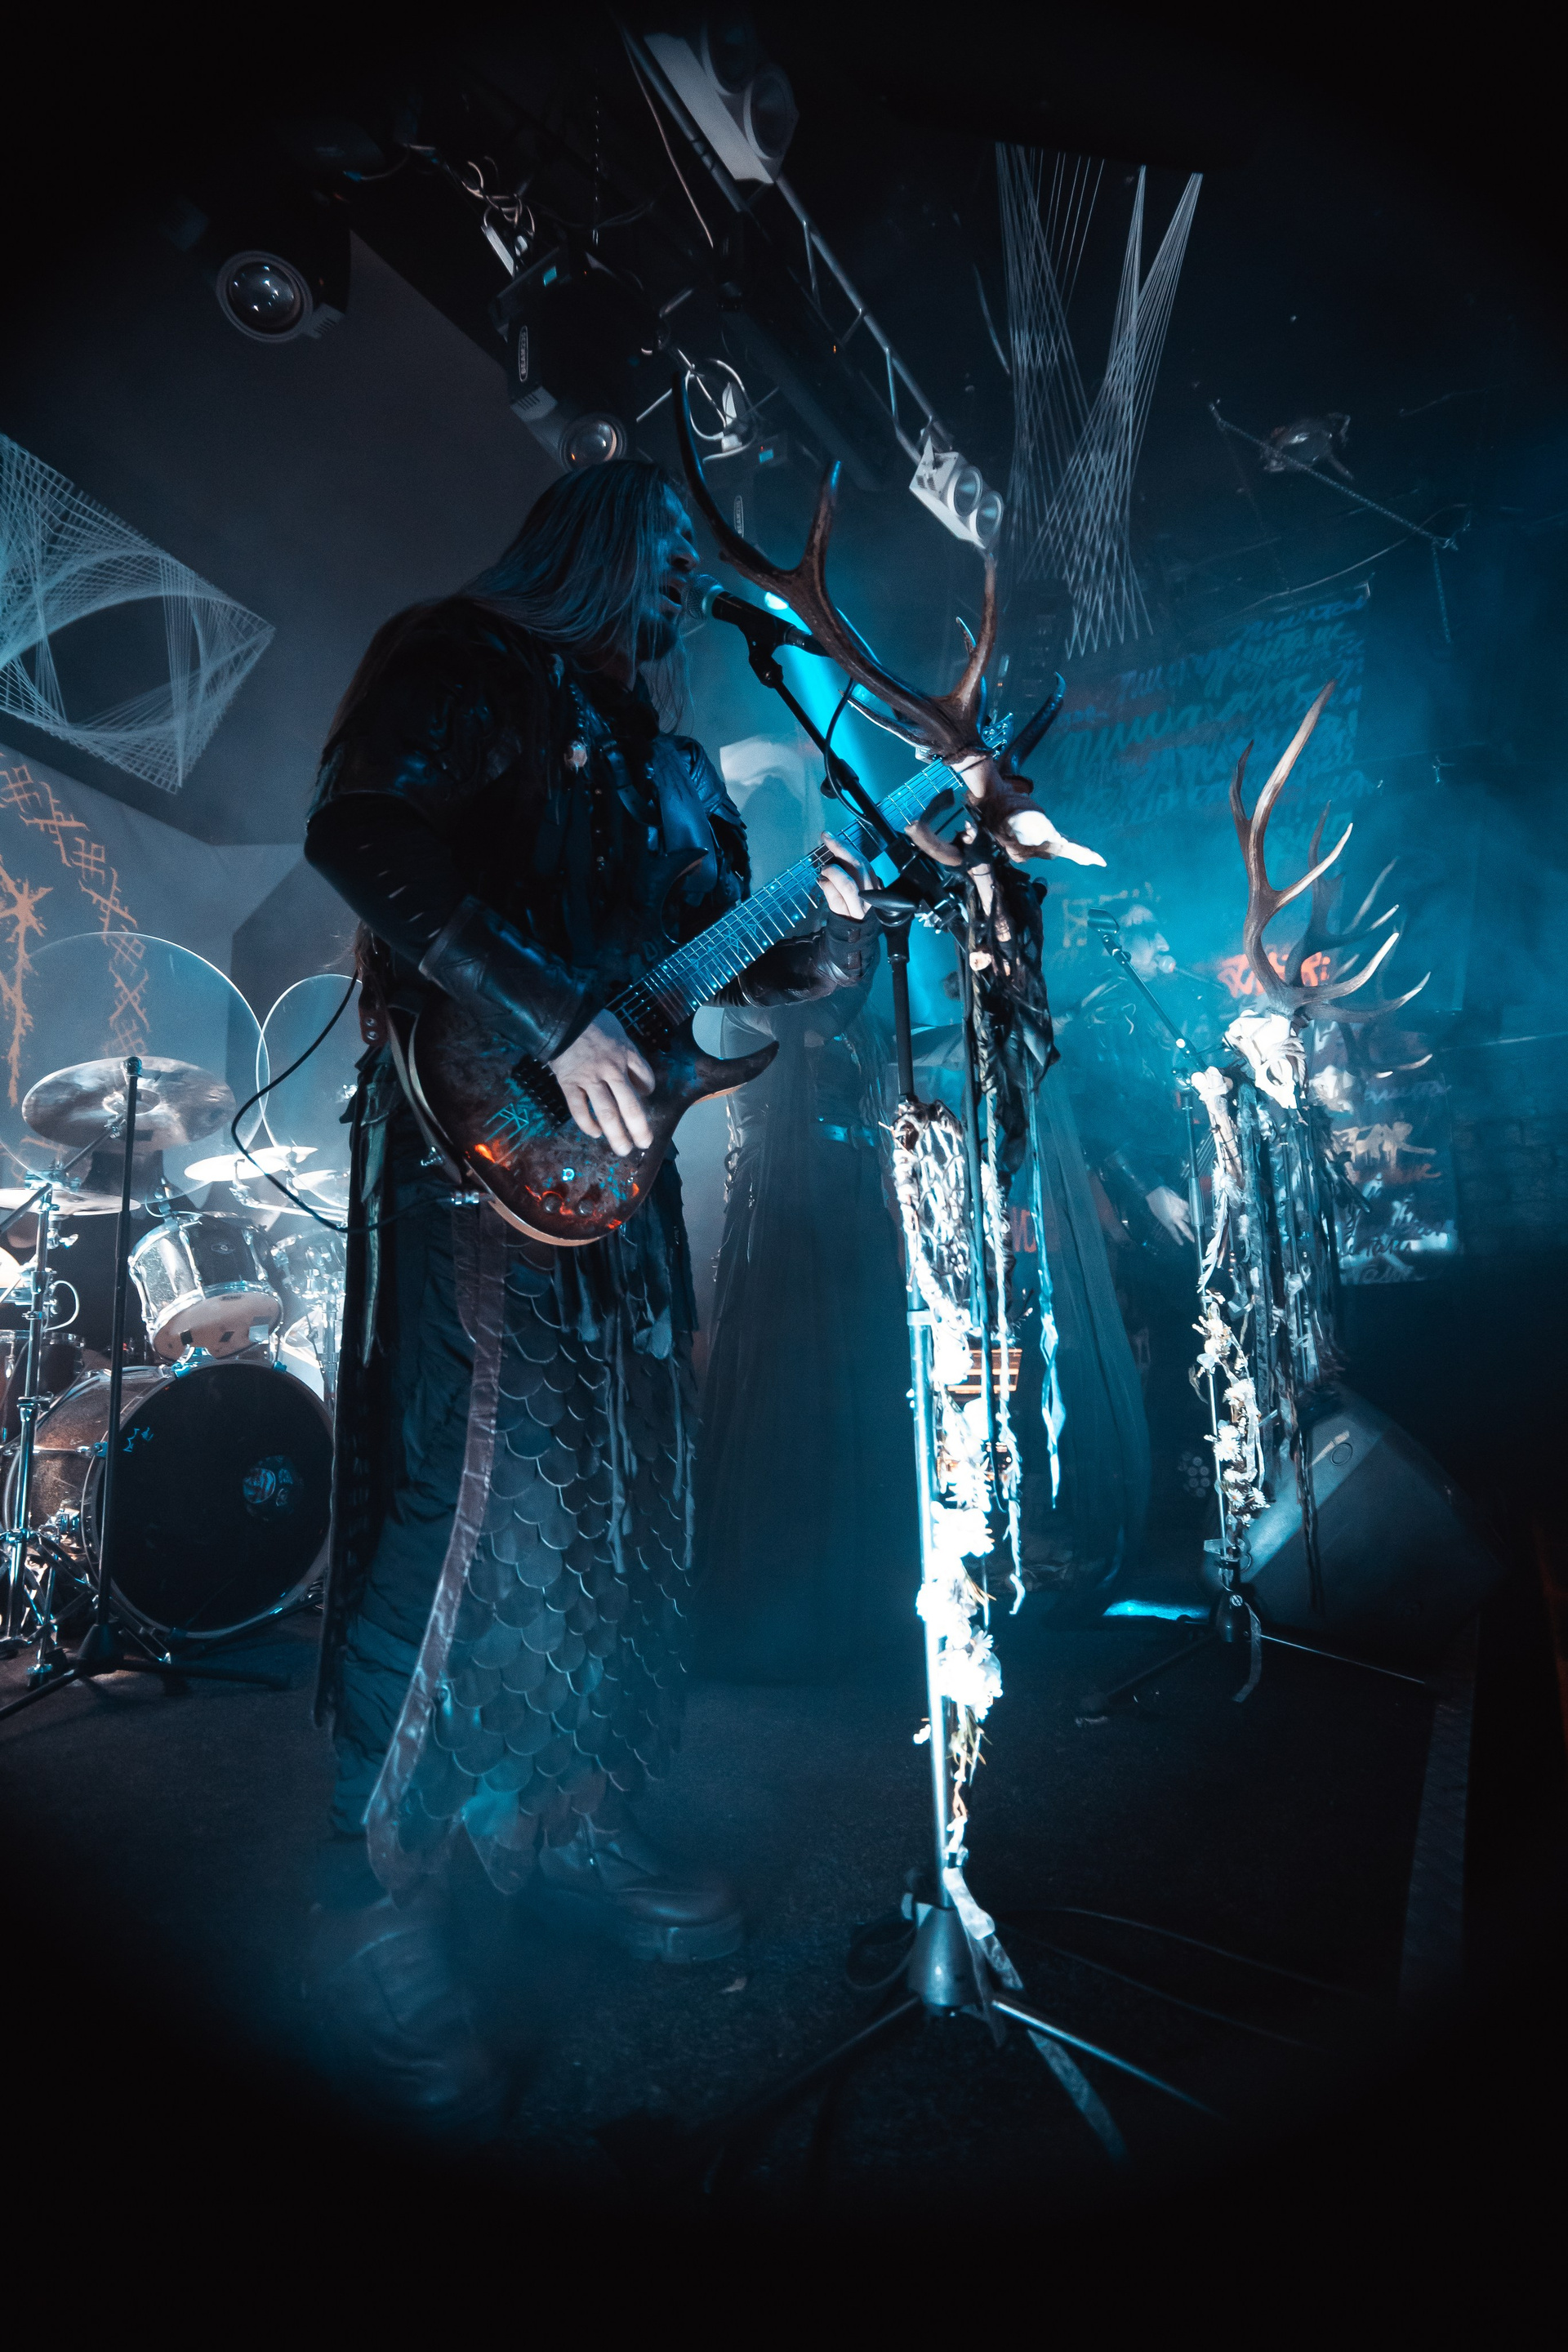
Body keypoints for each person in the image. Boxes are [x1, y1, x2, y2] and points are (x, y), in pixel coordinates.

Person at [301, 459, 876, 2131]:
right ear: (599, 543)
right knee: (468, 1503)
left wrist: (830, 927)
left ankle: (567, 1820)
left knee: (627, 1502)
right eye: (670, 550)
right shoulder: (466, 659)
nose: (688, 585)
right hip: (470, 1148)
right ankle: (373, 1897)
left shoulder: (680, 769)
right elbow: (358, 831)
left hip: (619, 1184)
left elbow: (720, 959)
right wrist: (551, 1012)